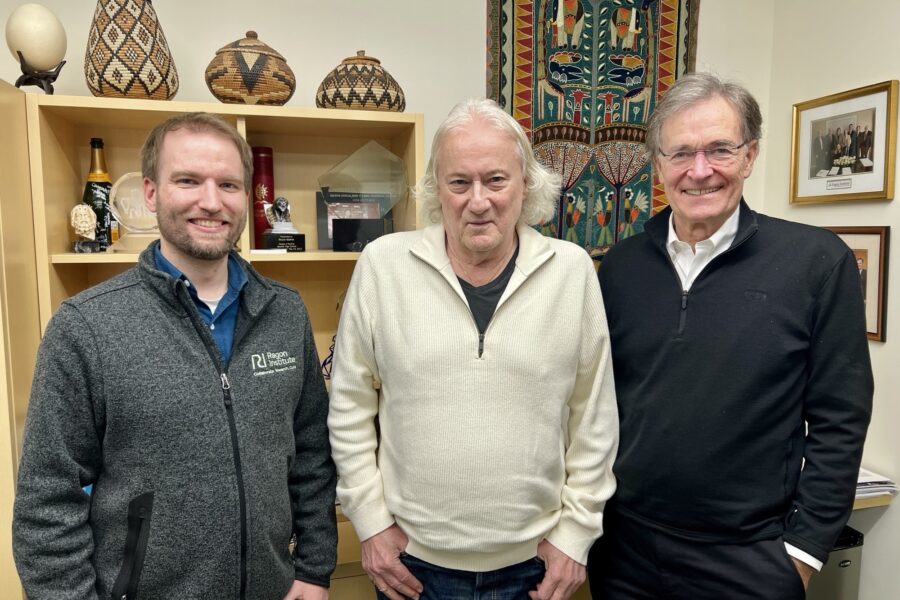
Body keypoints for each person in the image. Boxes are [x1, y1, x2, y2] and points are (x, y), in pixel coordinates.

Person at [13, 112, 337, 599]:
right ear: (151, 192)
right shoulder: (86, 326)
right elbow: (47, 501)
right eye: (188, 180)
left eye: (228, 184)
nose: (211, 202)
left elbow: (312, 455)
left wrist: (314, 569)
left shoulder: (285, 312)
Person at [588, 72, 873, 599]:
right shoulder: (621, 266)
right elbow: (596, 402)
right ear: (658, 165)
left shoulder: (816, 262)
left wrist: (804, 551)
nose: (700, 171)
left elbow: (841, 419)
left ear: (749, 156)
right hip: (625, 550)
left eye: (720, 149)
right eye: (681, 153)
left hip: (750, 557)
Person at [328, 98, 618, 600]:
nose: (478, 201)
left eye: (496, 180)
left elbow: (593, 418)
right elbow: (349, 405)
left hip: (534, 568)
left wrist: (576, 537)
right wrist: (370, 523)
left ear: (525, 184)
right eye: (459, 182)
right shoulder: (382, 265)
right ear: (436, 188)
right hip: (411, 568)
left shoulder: (571, 272)